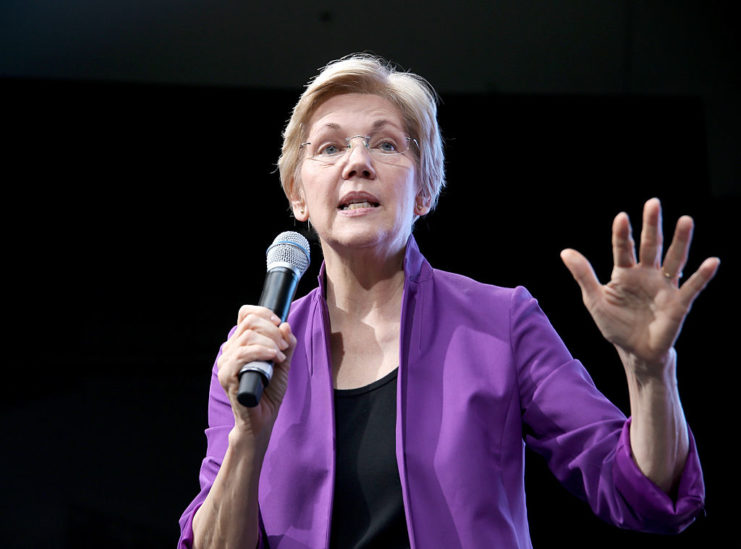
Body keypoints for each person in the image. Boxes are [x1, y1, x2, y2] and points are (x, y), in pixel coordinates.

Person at [177, 54, 720, 549]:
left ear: (423, 191)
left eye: (386, 144)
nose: (358, 162)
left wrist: (651, 372)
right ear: (298, 194)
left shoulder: (501, 322)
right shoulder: (253, 355)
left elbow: (644, 495)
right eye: (330, 147)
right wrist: (249, 437)